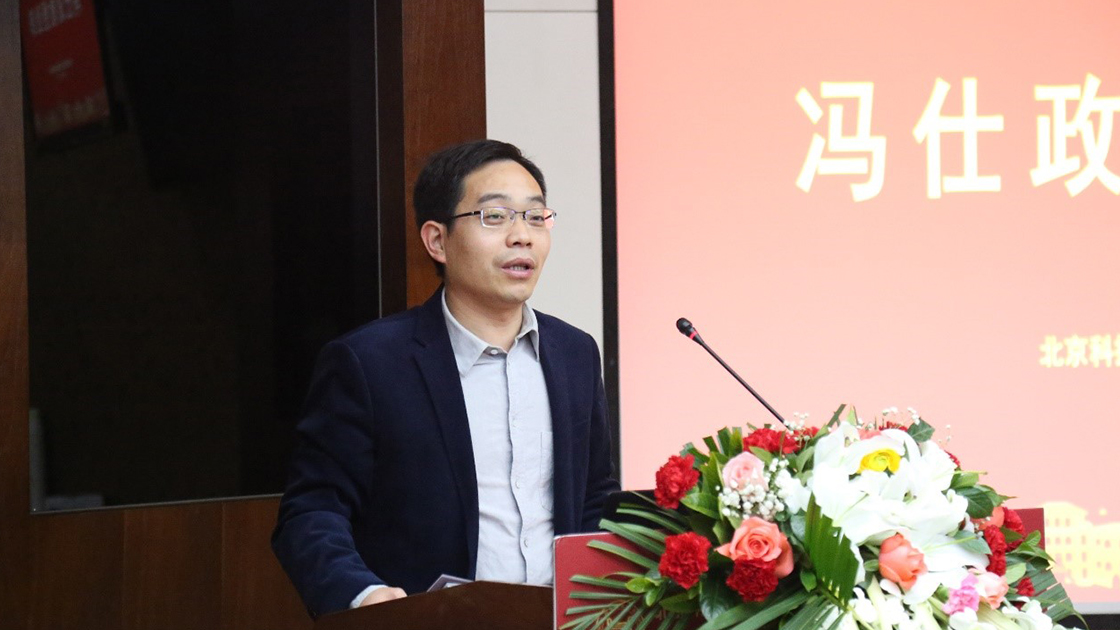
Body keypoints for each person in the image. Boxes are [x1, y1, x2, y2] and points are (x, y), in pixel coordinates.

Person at [271, 139, 619, 617]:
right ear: (437, 240)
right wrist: (365, 597)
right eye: (495, 216)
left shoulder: (575, 353)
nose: (522, 236)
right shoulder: (369, 362)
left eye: (536, 217)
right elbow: (313, 510)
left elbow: (594, 496)